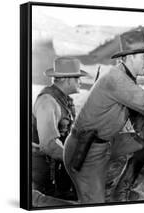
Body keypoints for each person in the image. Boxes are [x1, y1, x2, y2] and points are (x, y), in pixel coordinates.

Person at [63, 30, 144, 204]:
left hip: (105, 144)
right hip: (85, 150)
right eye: (143, 57)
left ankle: (121, 191)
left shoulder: (126, 79)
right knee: (93, 204)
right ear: (129, 57)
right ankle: (41, 200)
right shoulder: (115, 79)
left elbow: (138, 120)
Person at [32, 57, 88, 205]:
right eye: (77, 78)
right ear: (66, 79)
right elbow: (49, 144)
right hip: (40, 178)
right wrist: (76, 160)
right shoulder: (48, 102)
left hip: (56, 172)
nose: (80, 81)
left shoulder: (64, 100)